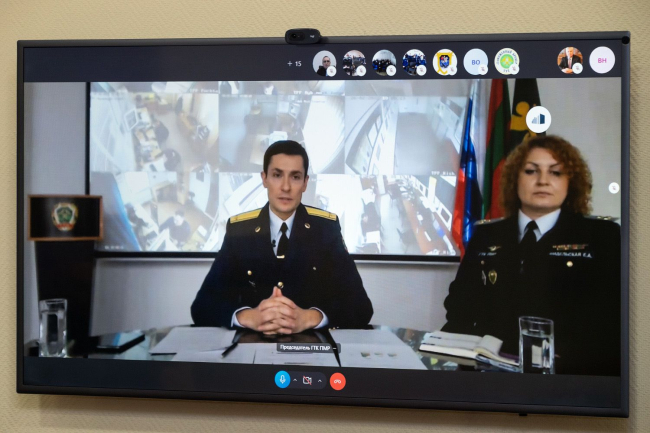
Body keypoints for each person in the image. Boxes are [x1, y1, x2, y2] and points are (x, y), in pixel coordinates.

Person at [442, 135, 620, 376]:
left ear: (571, 182)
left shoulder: (601, 236)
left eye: (555, 172)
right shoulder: (487, 234)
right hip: (490, 374)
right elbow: (458, 306)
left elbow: (613, 319)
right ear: (515, 179)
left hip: (570, 377)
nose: (543, 181)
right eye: (531, 171)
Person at [192, 140, 374, 333]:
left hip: (310, 346)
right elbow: (202, 306)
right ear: (264, 179)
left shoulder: (326, 230)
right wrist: (248, 317)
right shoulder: (240, 231)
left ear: (305, 183)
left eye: (295, 177)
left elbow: (361, 306)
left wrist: (309, 318)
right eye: (277, 175)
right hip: (252, 346)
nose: (286, 187)